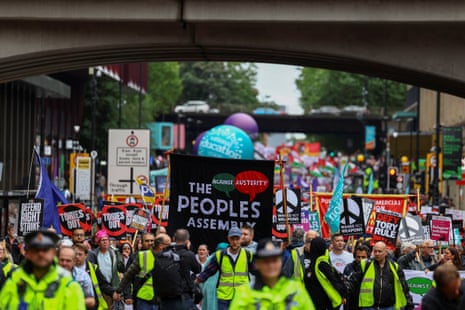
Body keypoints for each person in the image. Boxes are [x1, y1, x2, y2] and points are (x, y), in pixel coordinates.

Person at [0, 229, 86, 309]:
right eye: (36, 250)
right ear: (27, 253)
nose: (40, 254)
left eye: (45, 250)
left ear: (53, 253)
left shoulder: (69, 285)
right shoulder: (15, 281)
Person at [230, 238, 315, 309]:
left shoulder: (296, 289)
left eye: (274, 260)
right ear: (257, 263)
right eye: (265, 261)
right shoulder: (244, 293)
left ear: (281, 261)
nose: (270, 265)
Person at [196, 227, 255, 310]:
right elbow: (208, 272)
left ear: (241, 238)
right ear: (228, 239)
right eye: (232, 239)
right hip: (224, 297)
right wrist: (194, 283)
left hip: (242, 296)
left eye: (237, 239)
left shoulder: (248, 255)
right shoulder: (220, 255)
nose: (234, 242)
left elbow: (257, 272)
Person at [114, 233, 172, 309]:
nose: (150, 243)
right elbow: (128, 275)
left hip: (161, 299)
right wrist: (125, 294)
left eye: (152, 240)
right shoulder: (139, 256)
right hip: (143, 298)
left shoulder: (169, 256)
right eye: (147, 241)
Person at [349, 241, 414, 310]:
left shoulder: (395, 267)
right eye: (375, 251)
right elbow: (353, 282)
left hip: (389, 307)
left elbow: (404, 287)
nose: (377, 254)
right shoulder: (365, 265)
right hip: (369, 307)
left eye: (379, 251)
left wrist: (409, 303)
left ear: (385, 252)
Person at [304, 237, 346, 310]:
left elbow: (334, 280)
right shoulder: (314, 263)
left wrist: (343, 295)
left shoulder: (321, 264)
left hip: (325, 305)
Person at [87, 230, 121, 308]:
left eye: (106, 240)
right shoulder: (93, 254)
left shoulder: (114, 253)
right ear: (98, 242)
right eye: (102, 240)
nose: (105, 242)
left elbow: (120, 268)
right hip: (101, 287)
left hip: (112, 286)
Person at [172, 228, 201, 309]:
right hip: (184, 293)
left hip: (168, 294)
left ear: (174, 239)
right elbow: (198, 269)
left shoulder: (167, 252)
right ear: (187, 241)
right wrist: (189, 250)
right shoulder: (189, 255)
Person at [200, 242, 229, 310]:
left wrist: (201, 291)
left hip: (207, 288)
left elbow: (203, 275)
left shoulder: (210, 258)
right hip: (220, 289)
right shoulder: (227, 259)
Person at [343, 245, 369, 310]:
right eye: (358, 257)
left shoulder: (371, 268)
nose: (360, 259)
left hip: (367, 303)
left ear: (368, 257)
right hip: (352, 303)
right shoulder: (348, 268)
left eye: (363, 257)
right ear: (354, 257)